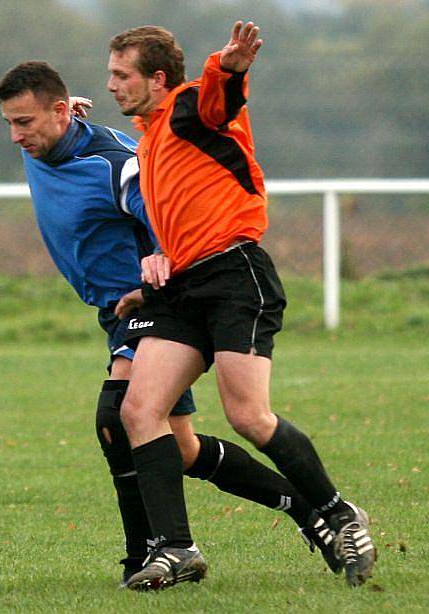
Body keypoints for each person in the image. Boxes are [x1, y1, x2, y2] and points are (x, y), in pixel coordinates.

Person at [0, 60, 340, 588]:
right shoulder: (49, 139)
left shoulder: (115, 164)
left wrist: (159, 258)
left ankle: (152, 555)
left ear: (60, 113)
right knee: (179, 448)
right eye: (11, 123)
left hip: (148, 301)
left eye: (26, 123)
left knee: (117, 419)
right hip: (112, 312)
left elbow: (163, 209)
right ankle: (307, 511)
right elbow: (59, 127)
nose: (17, 136)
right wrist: (63, 119)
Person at [105, 21, 376, 590]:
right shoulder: (152, 133)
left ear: (157, 78)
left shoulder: (186, 107)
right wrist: (157, 269)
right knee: (138, 411)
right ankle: (176, 549)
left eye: (120, 75)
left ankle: (336, 512)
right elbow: (182, 214)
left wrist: (229, 67)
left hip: (234, 275)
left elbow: (215, 100)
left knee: (248, 416)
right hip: (182, 286)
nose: (111, 84)